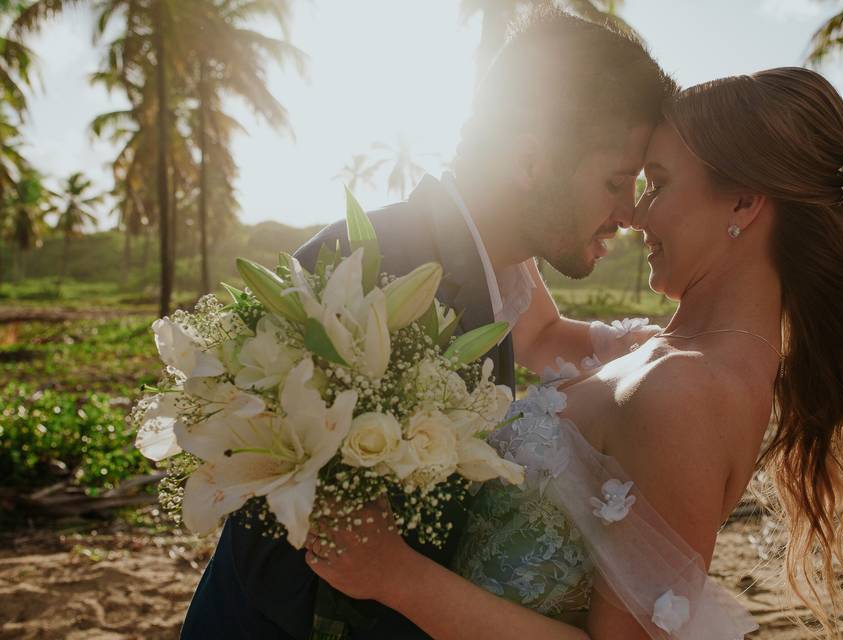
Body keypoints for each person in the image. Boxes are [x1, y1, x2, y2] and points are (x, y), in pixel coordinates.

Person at [302, 67, 843, 639]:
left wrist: (395, 576)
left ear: (743, 201)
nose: (634, 213)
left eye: (656, 184)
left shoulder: (687, 396)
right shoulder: (661, 351)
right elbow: (540, 331)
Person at [180, 9, 676, 639]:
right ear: (529, 160)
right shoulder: (374, 270)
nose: (631, 213)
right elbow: (275, 541)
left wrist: (673, 351)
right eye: (615, 181)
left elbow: (545, 336)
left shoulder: (495, 260)